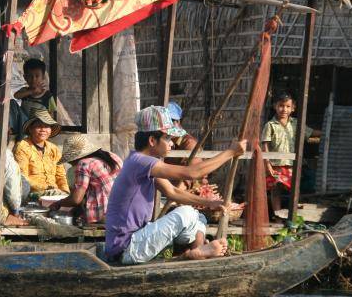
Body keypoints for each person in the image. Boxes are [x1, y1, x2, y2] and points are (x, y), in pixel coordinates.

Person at [104, 105, 247, 264]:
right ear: (152, 140)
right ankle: (194, 255)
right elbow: (192, 173)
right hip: (126, 249)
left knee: (197, 217)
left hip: (137, 243)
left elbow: (173, 192)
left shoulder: (142, 163)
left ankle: (196, 254)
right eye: (168, 139)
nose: (172, 144)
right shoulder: (141, 162)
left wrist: (211, 203)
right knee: (186, 213)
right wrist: (231, 152)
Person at [261, 92, 321, 219]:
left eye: (288, 106)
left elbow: (310, 132)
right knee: (275, 190)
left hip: (292, 164)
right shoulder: (270, 125)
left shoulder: (296, 124)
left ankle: (292, 216)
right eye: (281, 106)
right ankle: (277, 215)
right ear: (275, 106)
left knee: (293, 190)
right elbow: (265, 145)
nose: (284, 109)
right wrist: (267, 164)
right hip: (276, 165)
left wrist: (327, 131)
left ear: (293, 108)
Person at [49, 134, 122, 224]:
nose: (71, 165)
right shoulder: (112, 156)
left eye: (70, 161)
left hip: (104, 215)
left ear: (75, 158)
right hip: (122, 211)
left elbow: (76, 199)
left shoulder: (84, 163)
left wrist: (59, 203)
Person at [13, 108, 69, 194]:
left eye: (47, 126)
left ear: (50, 130)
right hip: (31, 193)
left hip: (55, 193)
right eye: (38, 126)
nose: (43, 129)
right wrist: (47, 188)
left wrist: (65, 192)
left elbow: (60, 175)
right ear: (30, 129)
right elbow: (22, 177)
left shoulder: (54, 149)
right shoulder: (22, 147)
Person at [10, 58, 58, 139]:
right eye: (30, 76)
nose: (33, 79)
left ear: (43, 77)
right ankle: (13, 129)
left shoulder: (47, 95)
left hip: (37, 124)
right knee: (11, 102)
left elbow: (52, 112)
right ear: (25, 77)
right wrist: (31, 91)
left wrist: (46, 126)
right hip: (23, 122)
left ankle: (24, 136)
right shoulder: (25, 91)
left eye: (37, 76)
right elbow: (16, 96)